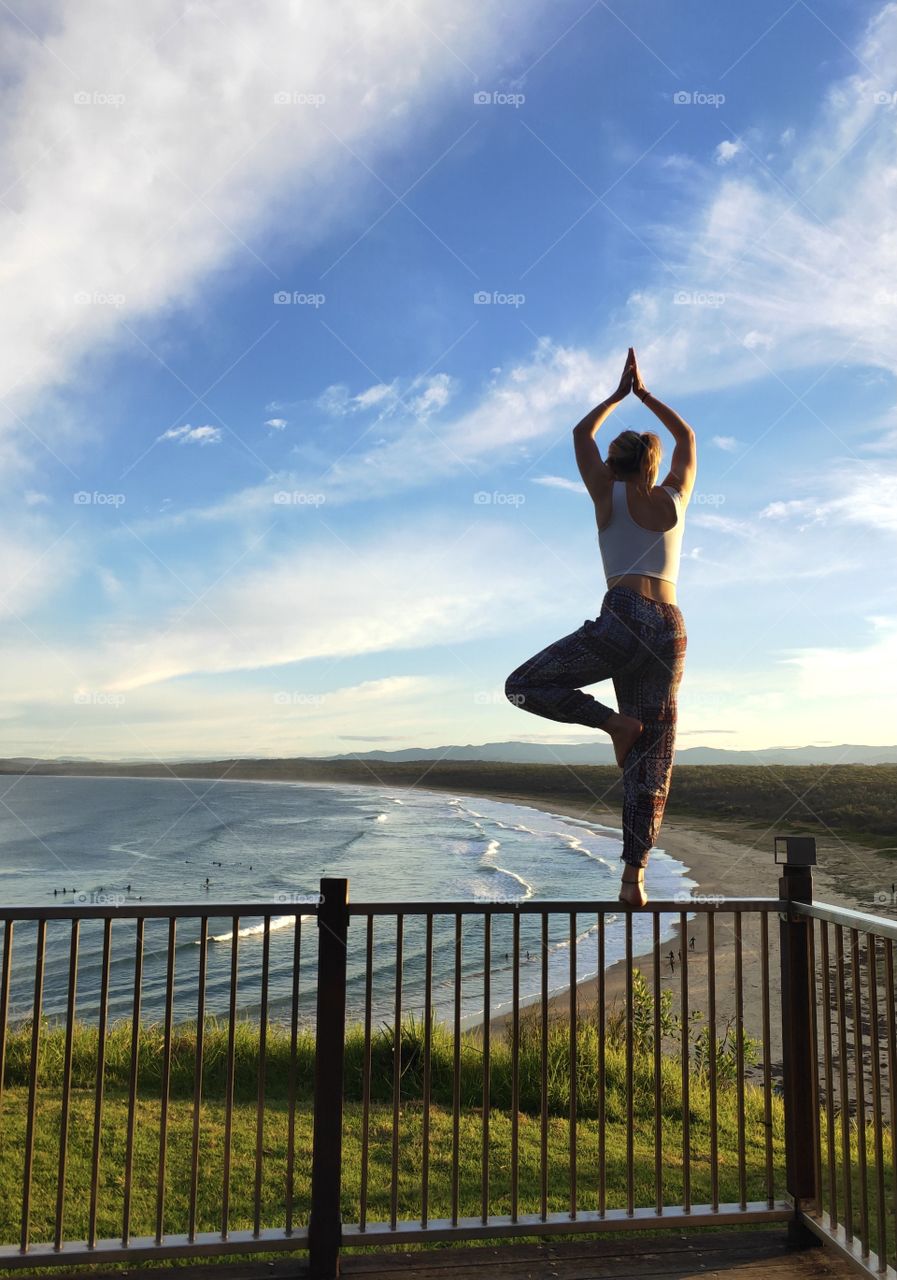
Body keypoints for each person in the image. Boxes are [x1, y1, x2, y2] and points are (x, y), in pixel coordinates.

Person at [504, 348, 696, 909]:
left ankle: (613, 724)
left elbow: (579, 433)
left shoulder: (604, 494)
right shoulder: (673, 498)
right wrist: (649, 396)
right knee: (654, 754)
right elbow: (686, 438)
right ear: (651, 465)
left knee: (524, 684)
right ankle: (632, 877)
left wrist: (617, 396)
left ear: (614, 466)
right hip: (670, 627)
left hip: (625, 618)